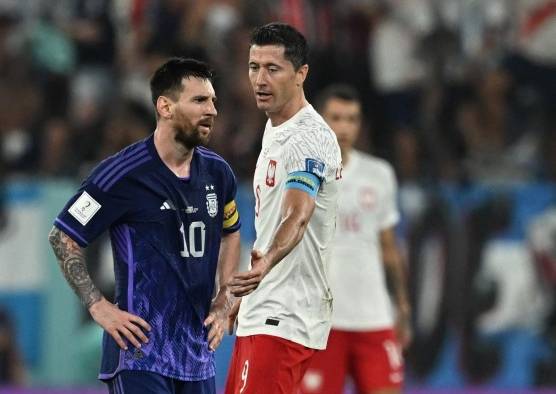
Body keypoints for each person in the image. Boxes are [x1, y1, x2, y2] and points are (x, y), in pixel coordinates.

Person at [48, 58, 241, 394]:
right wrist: (98, 305)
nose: (211, 110)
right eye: (199, 100)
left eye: (213, 101)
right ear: (165, 106)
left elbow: (231, 232)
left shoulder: (218, 173)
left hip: (197, 355)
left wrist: (224, 298)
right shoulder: (120, 175)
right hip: (139, 353)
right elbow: (62, 235)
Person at [224, 23, 342, 394]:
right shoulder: (276, 127)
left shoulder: (307, 138)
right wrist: (252, 290)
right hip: (267, 305)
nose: (260, 79)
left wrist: (265, 264)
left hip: (285, 313)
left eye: (272, 69)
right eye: (253, 66)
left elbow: (298, 215)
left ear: (301, 74)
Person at [300, 84, 412, 394]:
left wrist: (402, 304)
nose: (345, 127)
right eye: (336, 118)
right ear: (320, 121)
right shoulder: (300, 173)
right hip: (321, 323)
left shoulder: (379, 174)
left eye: (352, 119)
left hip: (374, 317)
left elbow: (388, 247)